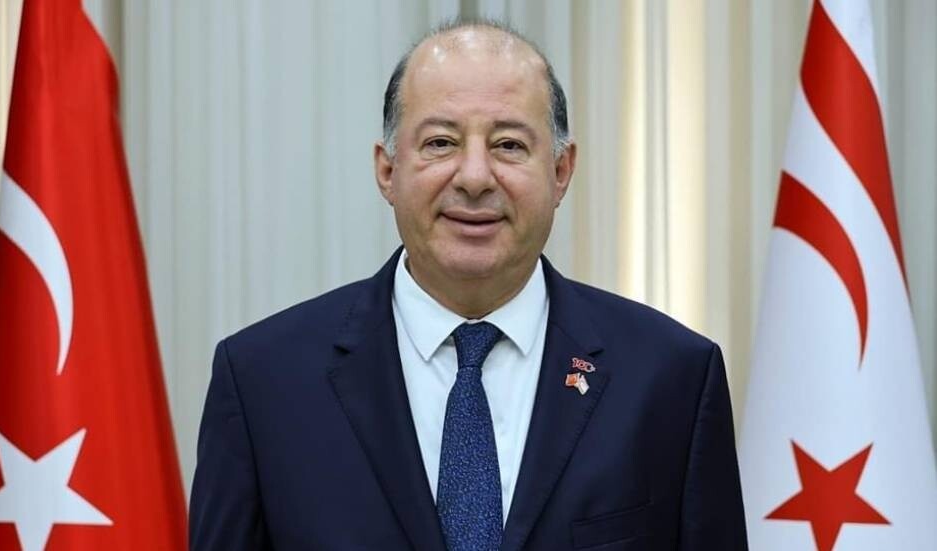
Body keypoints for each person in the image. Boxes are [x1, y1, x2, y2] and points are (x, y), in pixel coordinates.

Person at [189, 19, 748, 551]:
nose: (476, 177)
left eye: (509, 145)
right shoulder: (263, 383)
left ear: (560, 172)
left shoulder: (671, 379)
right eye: (440, 143)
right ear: (387, 170)